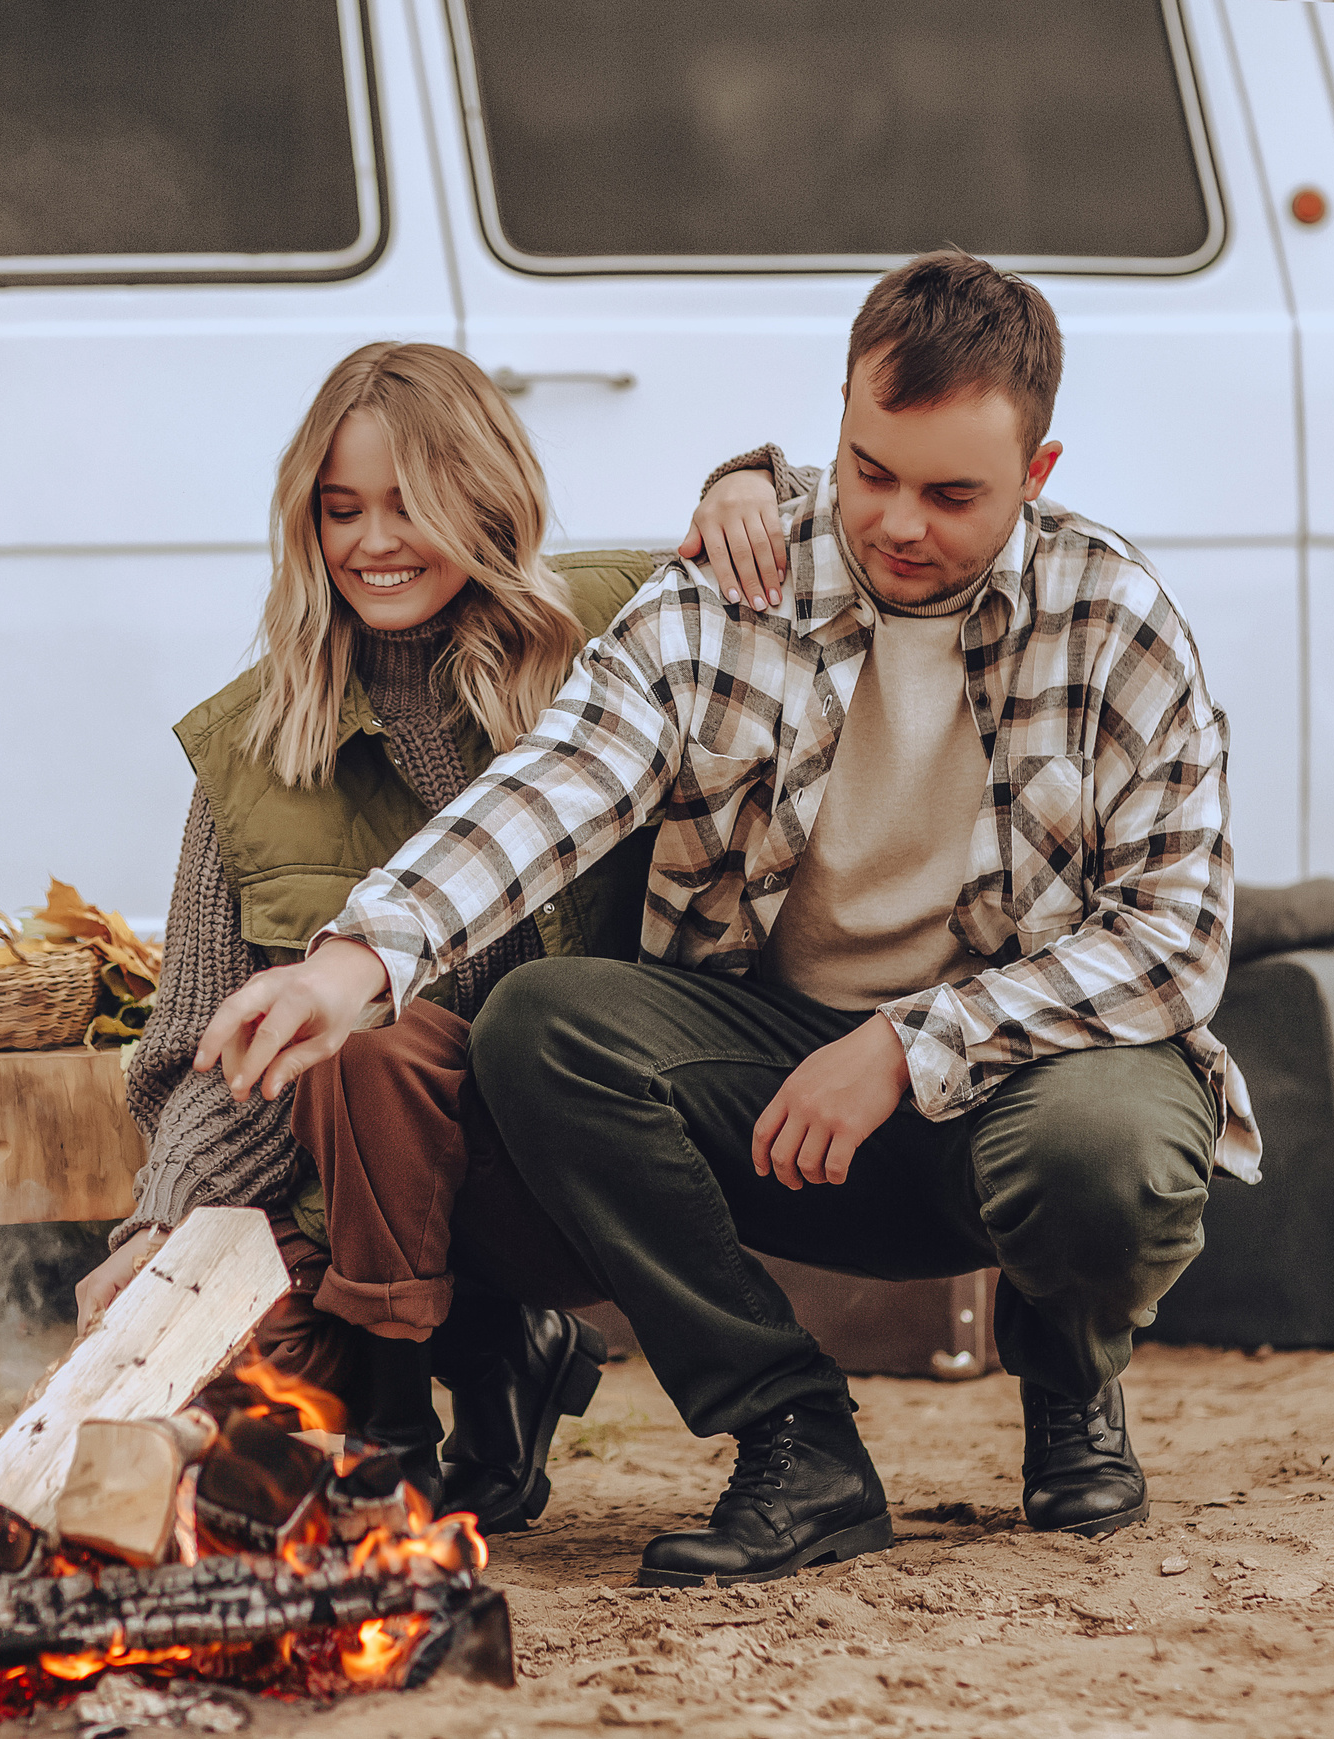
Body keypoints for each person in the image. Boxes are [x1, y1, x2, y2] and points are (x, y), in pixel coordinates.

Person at [192, 251, 1257, 1585]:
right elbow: (561, 778)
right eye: (869, 470)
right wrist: (356, 958)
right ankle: (795, 1436)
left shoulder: (1114, 619)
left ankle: (1069, 1366)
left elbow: (1171, 940)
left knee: (1111, 1147)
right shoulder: (730, 587)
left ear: (1035, 476)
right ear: (839, 421)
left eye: (952, 495)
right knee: (540, 1024)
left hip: (1013, 1079)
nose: (897, 522)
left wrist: (908, 1044)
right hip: (768, 1085)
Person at [77, 341, 761, 1529]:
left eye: (412, 503)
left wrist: (747, 481)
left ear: (486, 499)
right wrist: (161, 1229)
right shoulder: (255, 746)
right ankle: (432, 1388)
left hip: (607, 1159)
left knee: (425, 1039)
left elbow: (844, 554)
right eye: (341, 509)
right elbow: (207, 1050)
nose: (373, 542)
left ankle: (474, 1357)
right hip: (374, 1206)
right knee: (237, 1403)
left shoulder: (615, 630)